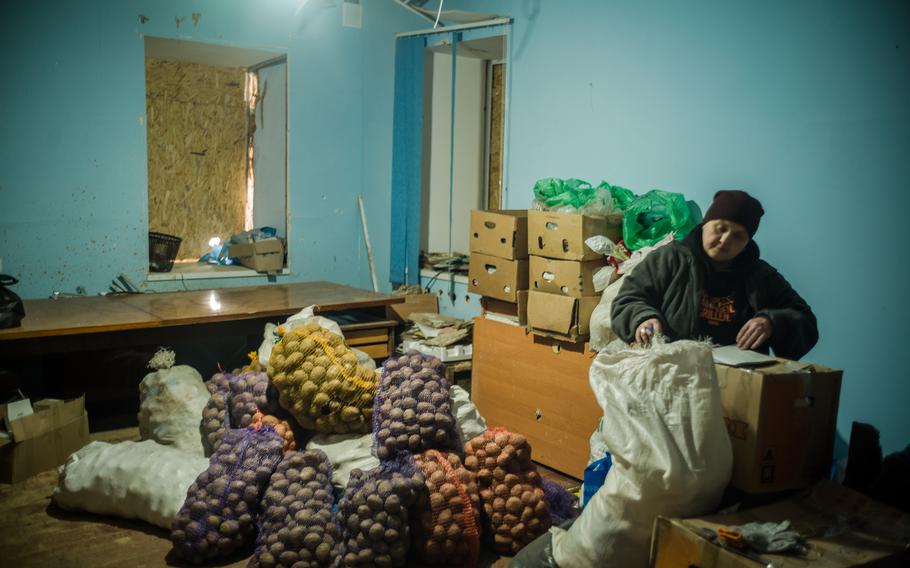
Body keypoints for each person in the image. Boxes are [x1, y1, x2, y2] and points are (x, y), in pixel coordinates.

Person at [611, 190, 818, 360]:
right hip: (672, 371)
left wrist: (772, 322)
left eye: (738, 236)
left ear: (748, 243)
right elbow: (628, 299)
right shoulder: (670, 258)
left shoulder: (762, 276)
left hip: (737, 384)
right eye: (720, 229)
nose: (725, 240)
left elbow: (806, 322)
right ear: (704, 226)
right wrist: (643, 319)